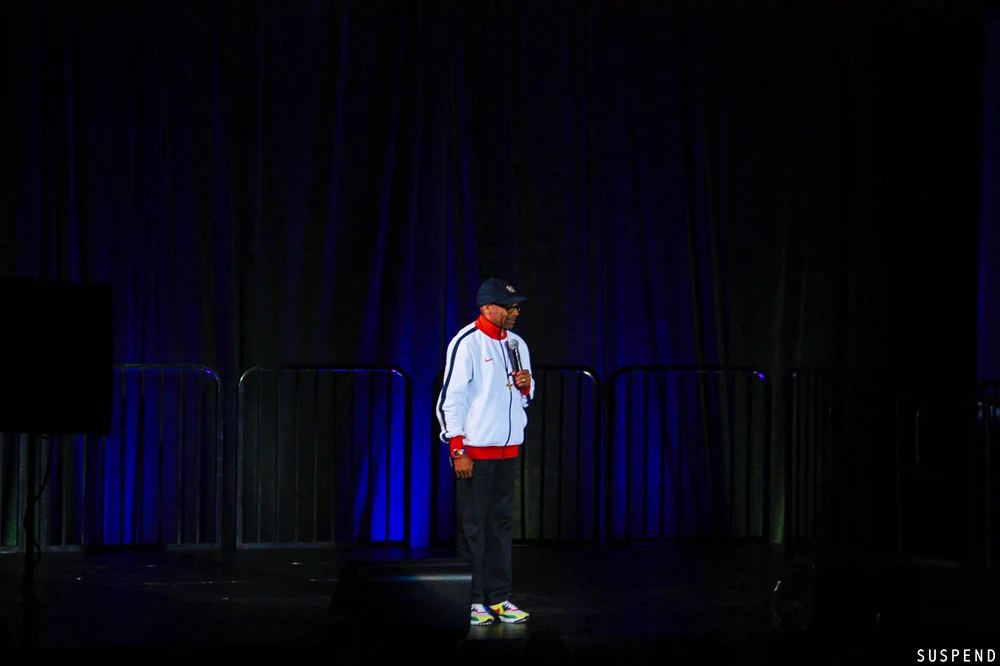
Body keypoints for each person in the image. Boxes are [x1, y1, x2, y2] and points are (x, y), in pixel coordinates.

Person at [436, 277, 534, 626]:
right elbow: (453, 398)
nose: (514, 312)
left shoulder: (518, 344)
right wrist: (457, 447)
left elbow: (524, 395)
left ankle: (499, 597)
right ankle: (473, 599)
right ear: (486, 308)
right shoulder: (467, 343)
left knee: (501, 526)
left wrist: (527, 387)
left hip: (507, 451)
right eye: (508, 307)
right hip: (476, 452)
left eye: (517, 306)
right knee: (473, 527)